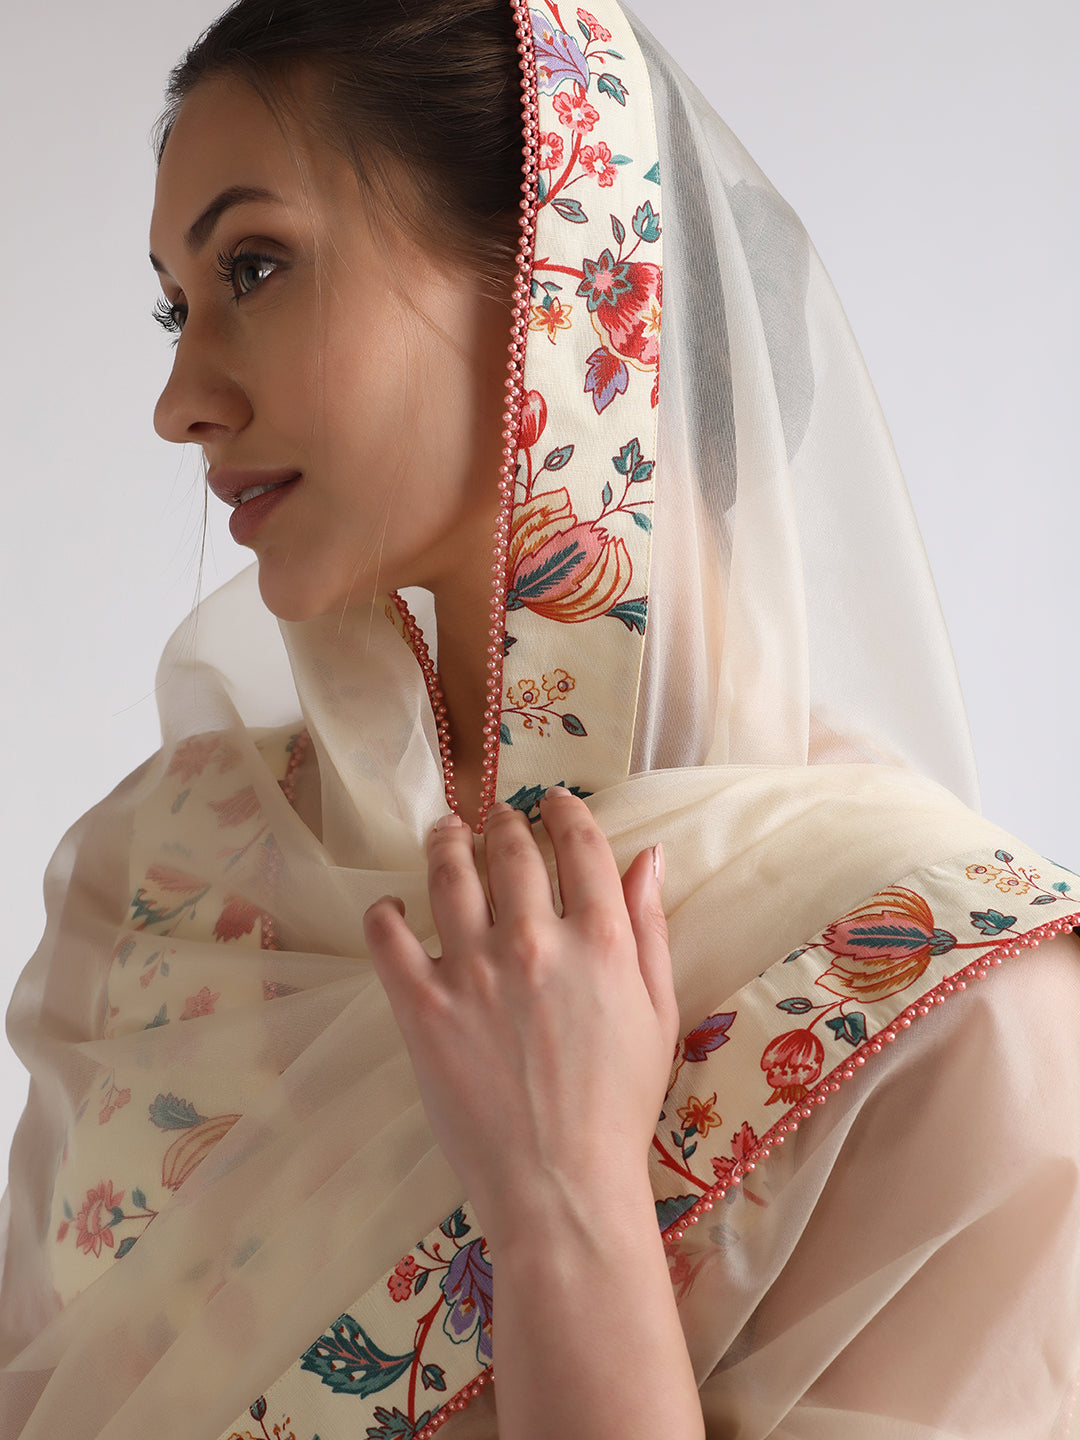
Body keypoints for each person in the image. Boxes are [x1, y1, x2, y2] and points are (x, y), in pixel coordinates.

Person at [1, 1, 1078, 1436]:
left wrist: (567, 1200)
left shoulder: (952, 1004)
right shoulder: (163, 883)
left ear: (561, 275)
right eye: (175, 304)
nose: (179, 402)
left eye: (253, 266)